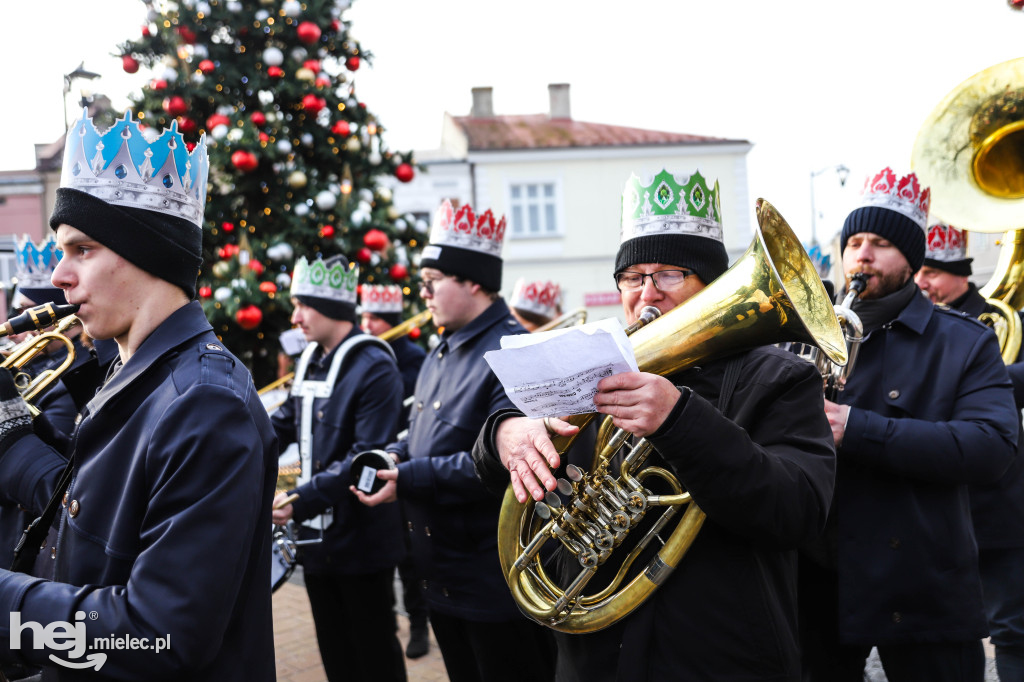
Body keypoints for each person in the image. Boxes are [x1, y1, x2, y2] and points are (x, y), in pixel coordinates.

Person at [472, 168, 838, 680]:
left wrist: (681, 420)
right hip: (596, 658)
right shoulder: (589, 363)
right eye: (633, 277)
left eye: (669, 273)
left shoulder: (780, 377)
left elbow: (797, 511)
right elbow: (502, 467)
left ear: (711, 285)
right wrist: (503, 436)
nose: (647, 294)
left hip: (721, 656)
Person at [0, 110, 278, 679]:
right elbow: (90, 517)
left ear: (145, 253)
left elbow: (158, 636)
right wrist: (10, 420)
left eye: (82, 250)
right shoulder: (141, 374)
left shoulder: (205, 402)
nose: (58, 275)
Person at [800, 168, 1019, 682]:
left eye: (880, 243)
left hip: (926, 582)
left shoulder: (965, 341)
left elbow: (991, 447)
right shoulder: (808, 336)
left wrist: (857, 428)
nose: (863, 255)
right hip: (819, 580)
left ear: (911, 258)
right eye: (854, 241)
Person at [353, 200, 556, 682]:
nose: (421, 293)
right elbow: (425, 434)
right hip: (441, 574)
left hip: (493, 581)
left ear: (474, 282)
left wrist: (407, 476)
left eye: (433, 281)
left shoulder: (513, 350)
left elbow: (508, 463)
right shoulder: (442, 346)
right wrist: (395, 454)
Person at [270, 254, 407, 682]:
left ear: (330, 308)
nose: (295, 317)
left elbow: (366, 456)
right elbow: (284, 422)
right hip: (317, 543)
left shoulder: (374, 364)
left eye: (303, 305)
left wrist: (299, 499)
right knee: (335, 653)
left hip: (360, 542)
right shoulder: (311, 356)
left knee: (374, 655)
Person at [915, 221, 1024, 682]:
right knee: (938, 631)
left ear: (961, 273)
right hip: (930, 501)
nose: (923, 282)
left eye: (933, 272)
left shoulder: (999, 318)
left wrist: (980, 382)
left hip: (997, 499)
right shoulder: (910, 325)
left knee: (1012, 627)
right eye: (918, 271)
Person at [359, 283, 430, 659]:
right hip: (376, 460)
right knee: (385, 550)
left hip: (403, 461)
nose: (367, 324)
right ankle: (390, 622)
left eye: (375, 318)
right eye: (365, 317)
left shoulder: (413, 356)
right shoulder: (365, 355)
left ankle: (418, 624)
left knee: (409, 555)